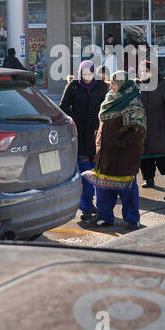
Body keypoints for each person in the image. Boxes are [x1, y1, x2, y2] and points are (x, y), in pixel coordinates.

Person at [85, 69, 146, 230]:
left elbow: (138, 132)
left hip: (124, 156)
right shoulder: (109, 99)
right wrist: (99, 141)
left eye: (114, 83)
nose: (110, 86)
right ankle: (104, 217)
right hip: (105, 154)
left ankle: (132, 219)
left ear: (123, 84)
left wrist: (119, 143)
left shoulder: (133, 102)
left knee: (127, 190)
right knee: (103, 189)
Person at [59, 59, 108, 221]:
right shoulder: (73, 86)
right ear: (80, 73)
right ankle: (86, 207)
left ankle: (95, 204)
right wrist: (74, 119)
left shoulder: (101, 86)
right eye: (84, 73)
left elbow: (107, 107)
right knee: (84, 172)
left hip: (96, 134)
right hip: (79, 135)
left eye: (90, 73)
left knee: (97, 172)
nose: (87, 77)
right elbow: (63, 107)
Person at [138, 62, 165, 189]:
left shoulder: (162, 84)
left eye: (146, 71)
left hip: (159, 124)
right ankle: (149, 179)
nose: (143, 74)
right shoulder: (137, 86)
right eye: (141, 72)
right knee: (144, 156)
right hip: (142, 127)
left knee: (161, 154)